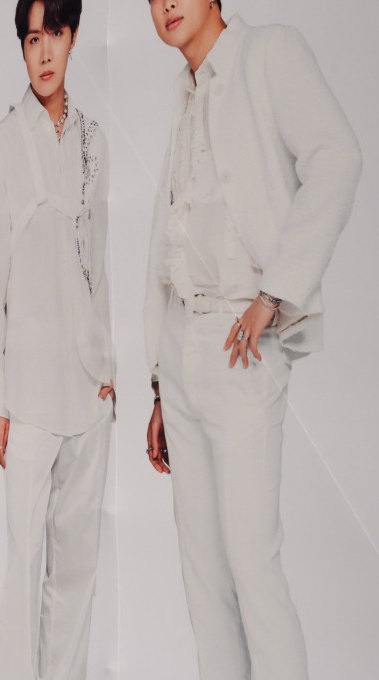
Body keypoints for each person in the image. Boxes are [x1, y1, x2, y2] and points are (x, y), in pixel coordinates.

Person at [142, 2, 362, 678]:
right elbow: (168, 240)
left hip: (241, 346)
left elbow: (339, 156)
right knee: (203, 579)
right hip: (181, 346)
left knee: (252, 567)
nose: (165, 4)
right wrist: (159, 383)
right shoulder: (184, 92)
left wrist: (276, 292)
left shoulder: (268, 51)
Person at [0, 1, 115, 677]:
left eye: (54, 35)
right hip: (25, 396)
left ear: (73, 37)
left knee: (77, 568)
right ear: (22, 48)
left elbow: (99, 263)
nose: (45, 52)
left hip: (88, 387)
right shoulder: (1, 144)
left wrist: (109, 368)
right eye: (33, 39)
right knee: (23, 564)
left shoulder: (94, 142)